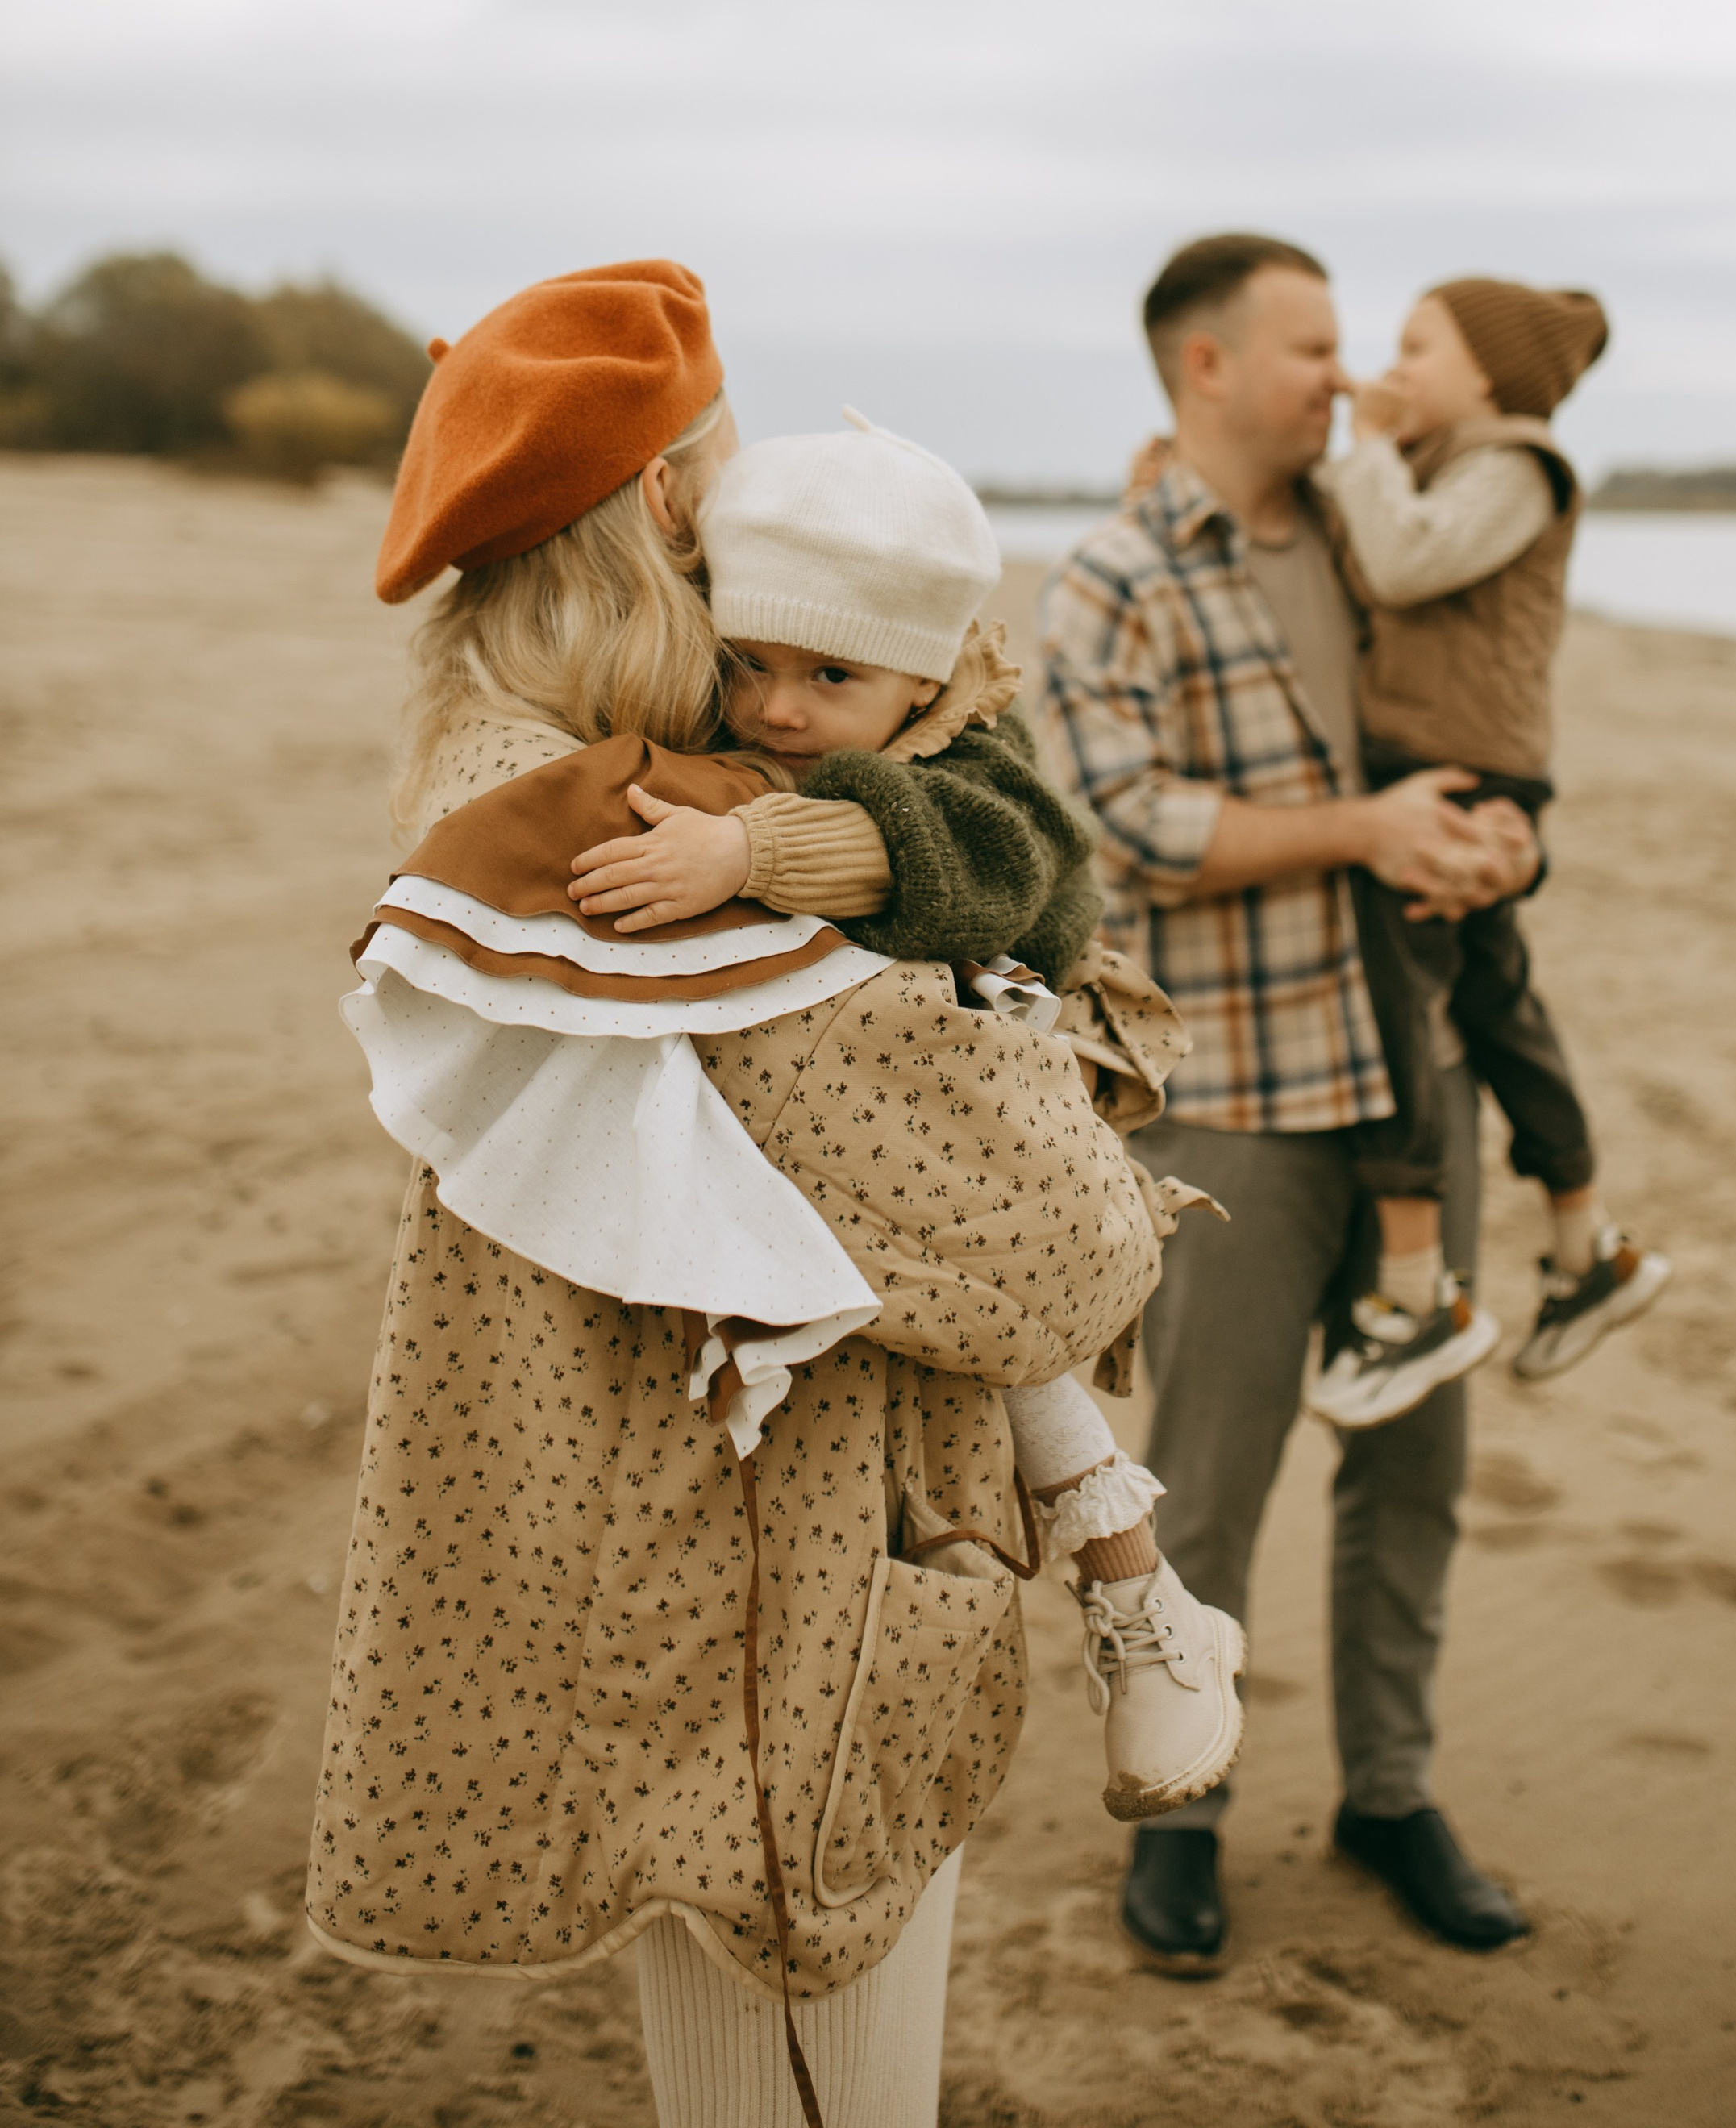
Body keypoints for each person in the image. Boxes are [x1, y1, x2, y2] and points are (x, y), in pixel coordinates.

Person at [307, 260, 1170, 2128]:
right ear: (663, 512)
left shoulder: (532, 766)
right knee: (806, 2086)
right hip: (768, 1615)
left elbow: (1012, 851)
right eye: (713, 480)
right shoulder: (614, 836)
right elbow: (1058, 1251)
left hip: (699, 1586)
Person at [560, 409, 1245, 1825]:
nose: (779, 710)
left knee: (1011, 1337)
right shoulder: (753, 720)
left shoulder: (977, 758)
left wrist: (752, 846)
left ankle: (1139, 1596)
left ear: (923, 673)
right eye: (748, 664)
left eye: (830, 675)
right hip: (840, 1131)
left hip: (985, 1104)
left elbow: (980, 859)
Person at [1039, 230, 1542, 1976]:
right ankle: (1177, 1822)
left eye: (1345, 345)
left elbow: (1469, 724)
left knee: (1415, 1469)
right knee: (1208, 1483)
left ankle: (1390, 1793)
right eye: (1310, 348)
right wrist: (1360, 836)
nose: (1340, 378)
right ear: (1203, 368)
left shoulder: (1376, 538)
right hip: (1234, 1105)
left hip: (1418, 1089)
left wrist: (1500, 835)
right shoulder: (1110, 574)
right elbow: (1121, 828)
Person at [1309, 277, 1671, 1426]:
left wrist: (1363, 445)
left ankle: (1416, 1294)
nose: (1393, 366)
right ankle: (1585, 1246)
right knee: (1501, 1005)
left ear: (1493, 376)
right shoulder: (1450, 463)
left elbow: (1409, 563)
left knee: (1394, 1012)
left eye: (1420, 347)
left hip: (1458, 783)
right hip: (1453, 770)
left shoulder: (1517, 464)